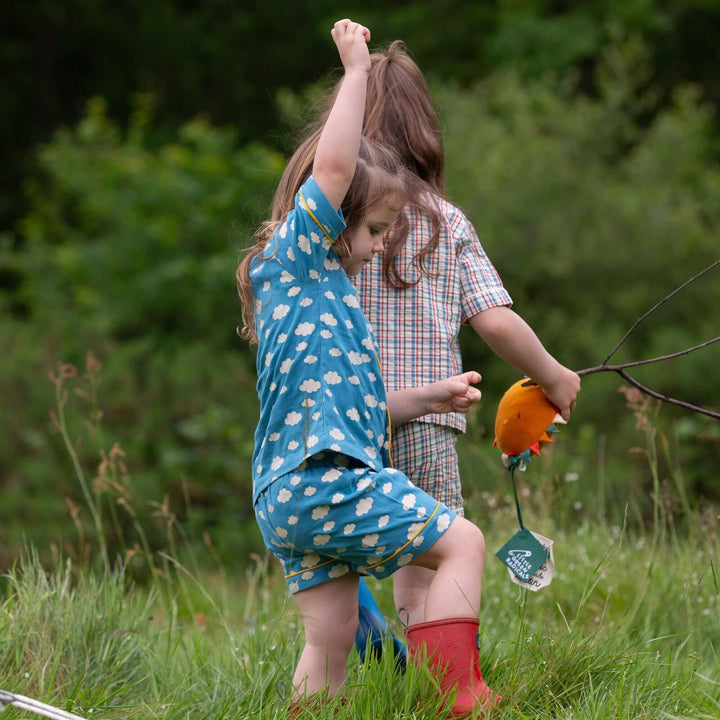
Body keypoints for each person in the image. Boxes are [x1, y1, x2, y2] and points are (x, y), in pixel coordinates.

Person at [236, 20, 500, 716]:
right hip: (325, 481)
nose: (378, 247)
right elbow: (331, 169)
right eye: (376, 230)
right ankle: (458, 696)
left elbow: (357, 411)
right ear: (332, 217)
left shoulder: (323, 299)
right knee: (462, 541)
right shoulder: (300, 258)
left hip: (290, 496)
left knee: (329, 646)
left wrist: (429, 396)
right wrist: (354, 71)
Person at [311, 41, 581, 650]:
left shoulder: (333, 221)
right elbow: (496, 323)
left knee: (339, 563)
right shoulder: (444, 221)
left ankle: (365, 671)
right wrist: (555, 375)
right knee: (426, 564)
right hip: (428, 426)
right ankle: (436, 681)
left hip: (347, 423)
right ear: (426, 131)